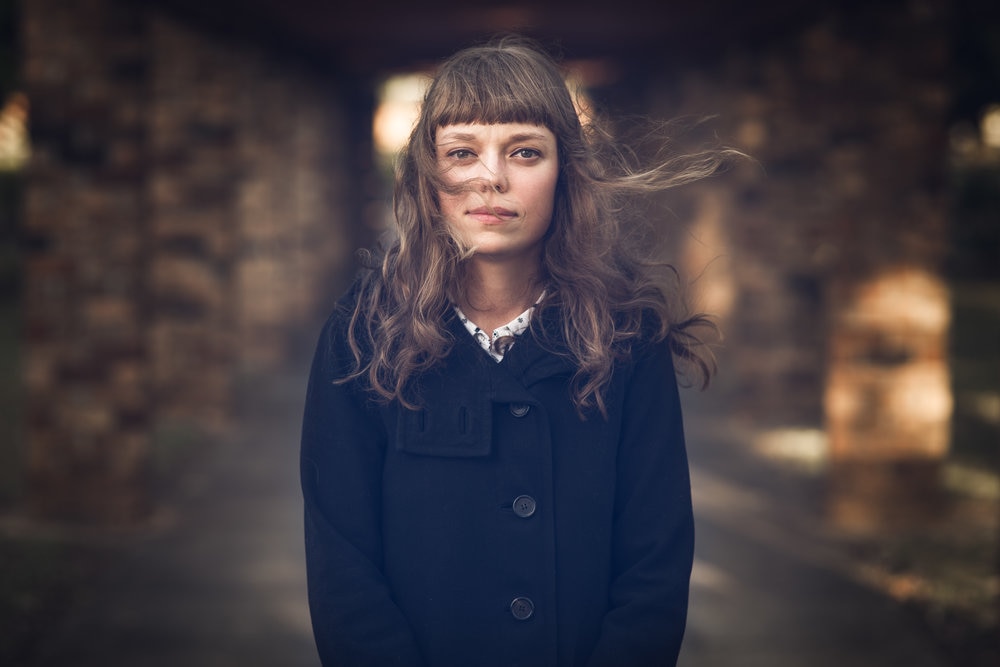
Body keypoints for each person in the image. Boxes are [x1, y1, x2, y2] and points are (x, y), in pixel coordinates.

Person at [301, 35, 734, 667]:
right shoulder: (363, 335)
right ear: (429, 177)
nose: (491, 178)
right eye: (462, 152)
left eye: (525, 151)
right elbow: (342, 570)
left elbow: (654, 568)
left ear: (566, 172)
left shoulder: (625, 337)